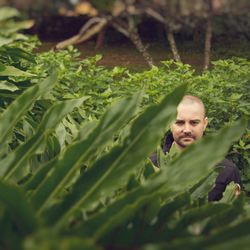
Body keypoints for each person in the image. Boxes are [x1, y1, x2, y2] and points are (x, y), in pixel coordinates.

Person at [151, 95, 242, 201]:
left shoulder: (226, 171)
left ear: (204, 123)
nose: (187, 129)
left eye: (194, 123)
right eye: (180, 122)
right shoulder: (150, 166)